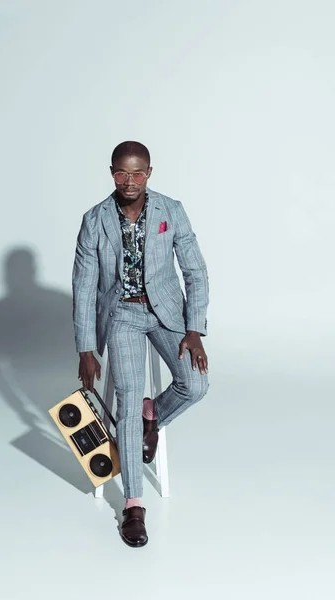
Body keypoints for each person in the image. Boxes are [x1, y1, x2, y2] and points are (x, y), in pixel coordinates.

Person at [72, 141, 209, 548]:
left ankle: (154, 417)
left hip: (168, 312)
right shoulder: (94, 220)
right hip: (123, 315)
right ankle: (134, 504)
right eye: (120, 173)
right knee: (128, 399)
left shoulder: (172, 211)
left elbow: (196, 270)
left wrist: (195, 330)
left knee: (197, 384)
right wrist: (86, 349)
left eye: (137, 173)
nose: (129, 182)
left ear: (149, 172)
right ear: (111, 172)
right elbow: (83, 288)